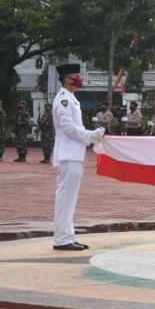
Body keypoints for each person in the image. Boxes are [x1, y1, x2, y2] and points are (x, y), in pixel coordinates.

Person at [52, 64, 105, 251]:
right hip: (68, 154)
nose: (79, 79)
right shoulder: (63, 100)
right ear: (67, 79)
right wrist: (90, 136)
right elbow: (67, 127)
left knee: (69, 198)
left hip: (74, 153)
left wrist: (89, 136)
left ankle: (67, 236)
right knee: (65, 198)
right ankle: (62, 239)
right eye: (76, 76)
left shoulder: (71, 99)